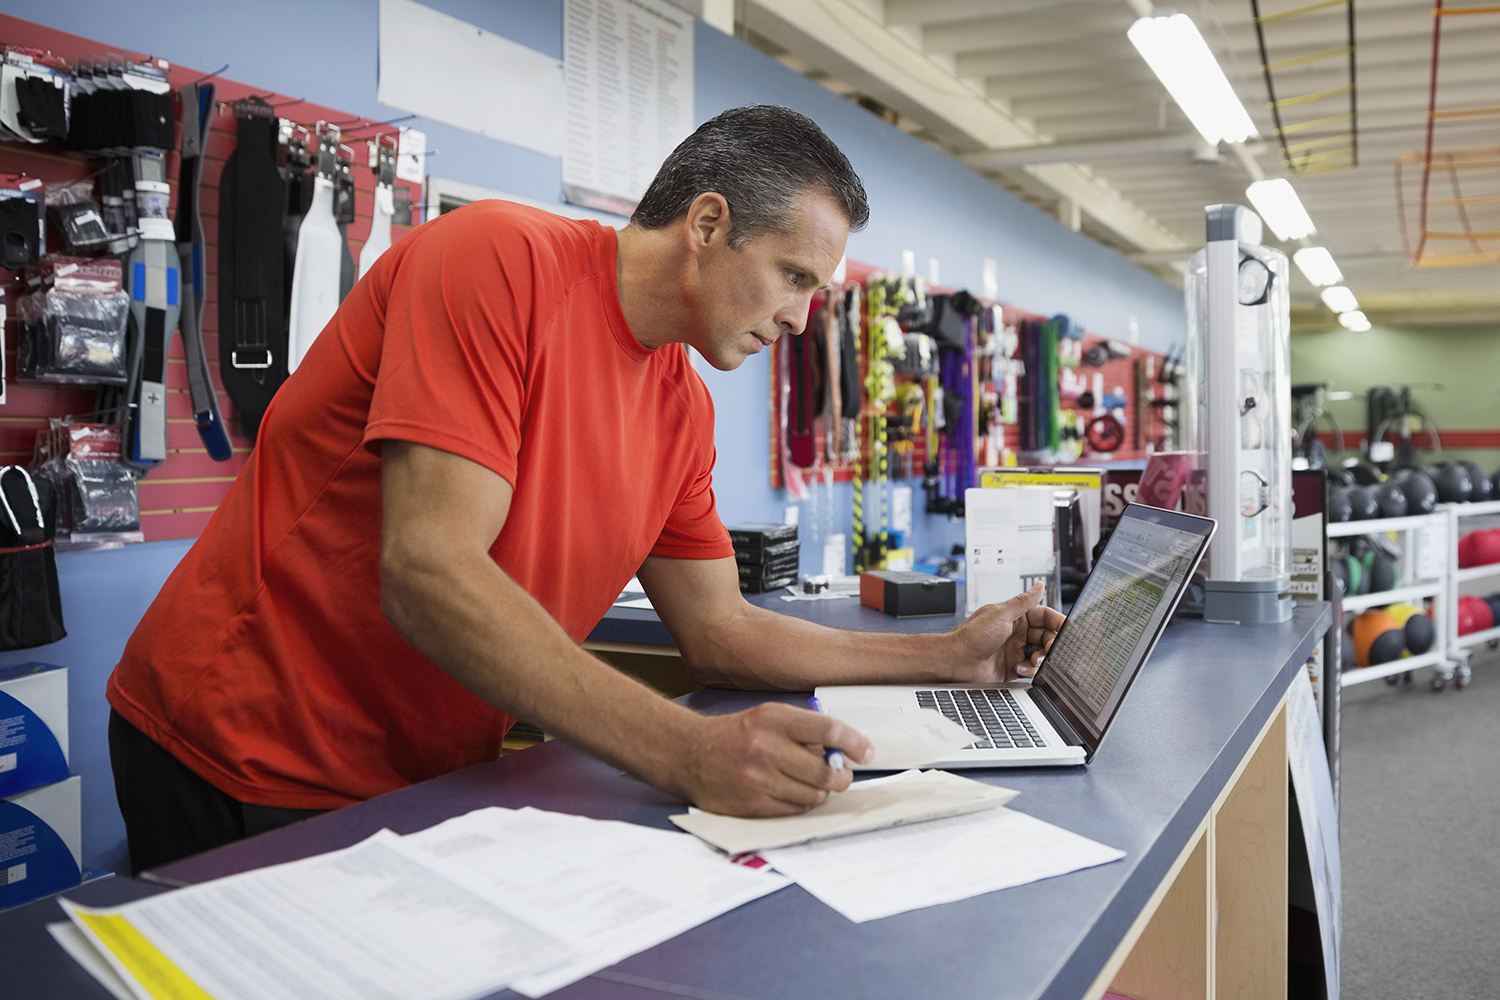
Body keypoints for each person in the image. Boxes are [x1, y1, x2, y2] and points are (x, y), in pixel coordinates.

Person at [106, 105, 1064, 874]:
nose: (801, 319)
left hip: (416, 773)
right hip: (240, 742)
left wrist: (951, 656)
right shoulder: (495, 261)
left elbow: (720, 632)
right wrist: (688, 755)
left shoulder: (680, 406)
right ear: (708, 224)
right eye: (792, 276)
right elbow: (429, 571)